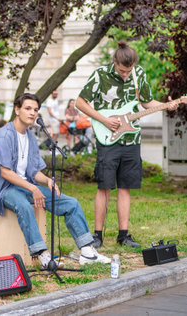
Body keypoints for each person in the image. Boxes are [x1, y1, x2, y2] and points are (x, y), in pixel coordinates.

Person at [0, 93, 110, 267]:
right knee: (23, 206)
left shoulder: (30, 136)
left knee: (71, 203)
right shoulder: (5, 135)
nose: (32, 113)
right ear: (17, 110)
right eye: (27, 108)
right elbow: (5, 172)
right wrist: (33, 188)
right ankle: (42, 255)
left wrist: (47, 181)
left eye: (35, 110)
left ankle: (87, 251)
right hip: (6, 190)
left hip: (27, 187)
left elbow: (34, 171)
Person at [75, 41, 178, 248]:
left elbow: (147, 102)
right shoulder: (100, 75)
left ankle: (123, 235)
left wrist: (167, 106)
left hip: (132, 139)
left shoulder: (138, 74)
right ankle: (97, 235)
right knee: (104, 186)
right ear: (115, 62)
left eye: (128, 71)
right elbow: (80, 102)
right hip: (108, 138)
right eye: (122, 71)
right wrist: (104, 120)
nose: (125, 75)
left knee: (125, 187)